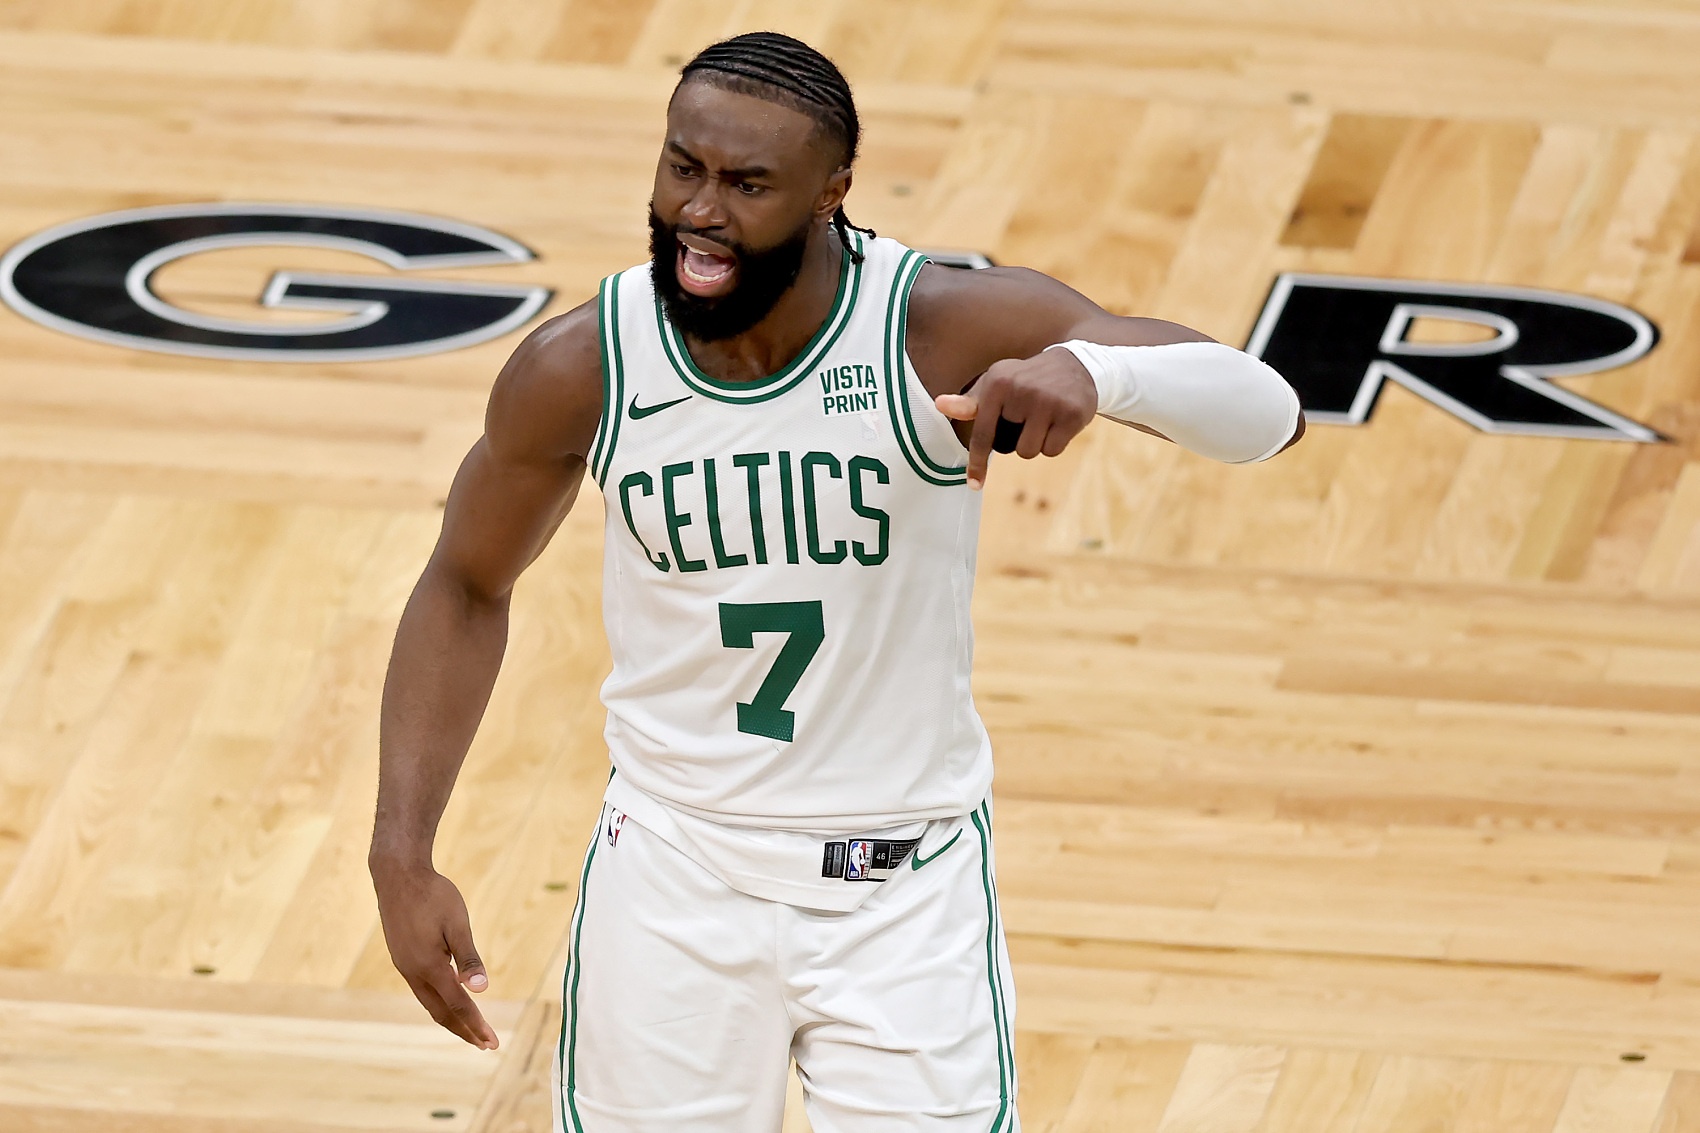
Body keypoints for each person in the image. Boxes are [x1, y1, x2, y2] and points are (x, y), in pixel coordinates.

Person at [368, 30, 1303, 1133]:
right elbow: (464, 584)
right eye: (683, 167)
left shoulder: (934, 324)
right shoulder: (584, 364)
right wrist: (401, 849)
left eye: (748, 183)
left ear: (832, 192)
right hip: (671, 876)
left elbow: (1269, 417)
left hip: (901, 895)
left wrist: (1095, 372)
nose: (700, 211)